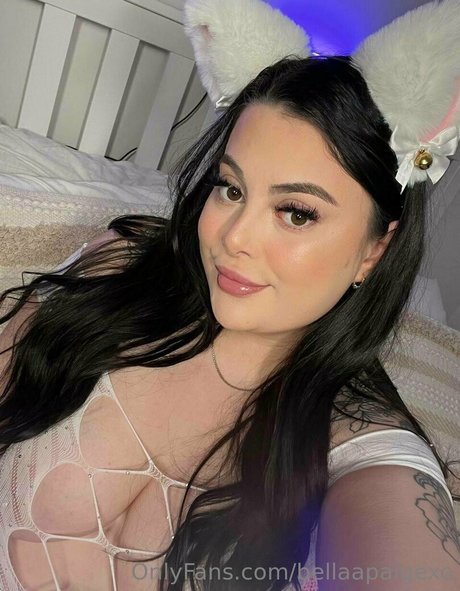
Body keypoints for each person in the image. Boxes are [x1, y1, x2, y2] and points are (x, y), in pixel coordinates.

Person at [1, 0, 460, 589]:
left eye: (296, 213)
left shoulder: (358, 441)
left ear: (375, 249)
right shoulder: (119, 269)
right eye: (231, 189)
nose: (234, 237)